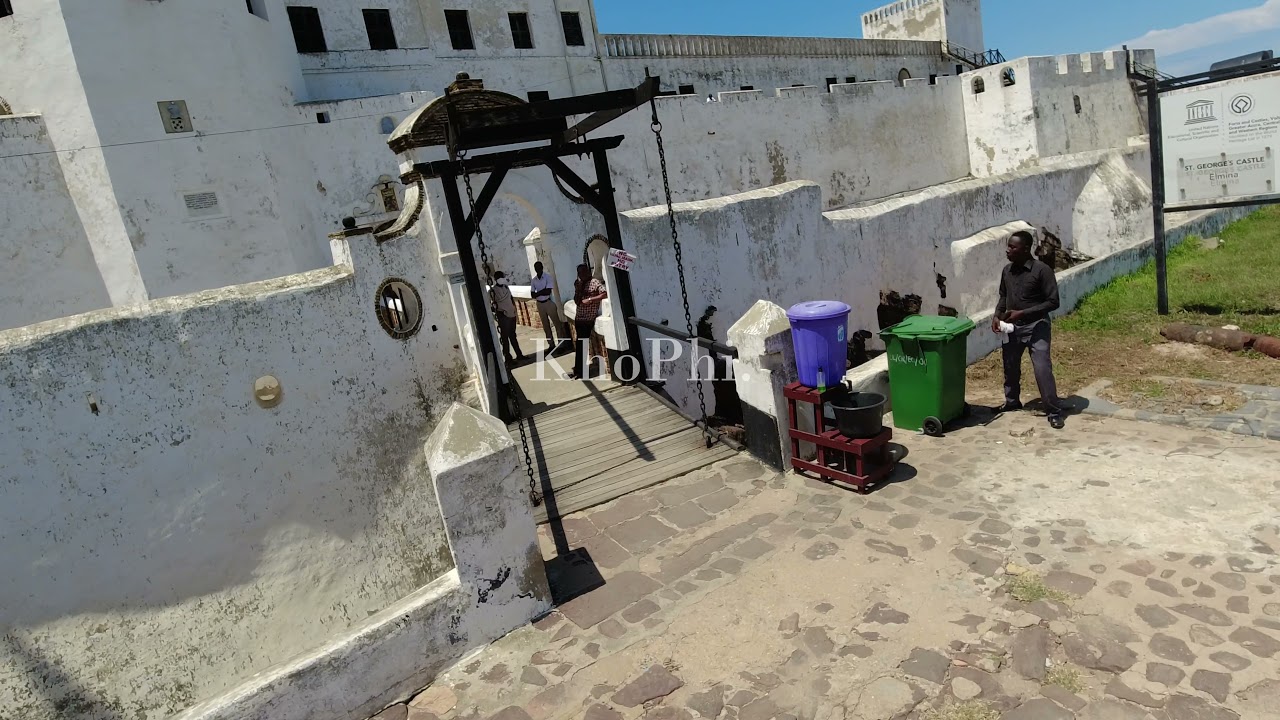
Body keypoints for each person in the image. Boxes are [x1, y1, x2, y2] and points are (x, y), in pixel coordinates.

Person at [993, 230, 1065, 429]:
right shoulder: (1007, 271)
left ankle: (1053, 411)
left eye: (1012, 247)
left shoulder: (1042, 270)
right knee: (1010, 365)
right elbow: (1002, 296)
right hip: (1012, 327)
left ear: (1026, 249)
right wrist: (997, 316)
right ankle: (1012, 402)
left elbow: (1053, 302)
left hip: (1037, 326)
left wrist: (1023, 313)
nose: (1008, 251)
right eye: (1008, 246)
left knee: (1042, 368)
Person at [569, 264, 607, 380]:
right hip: (579, 317)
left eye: (583, 272)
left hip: (588, 318)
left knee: (583, 343)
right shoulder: (579, 284)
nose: (581, 275)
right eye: (579, 273)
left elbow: (604, 293)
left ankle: (580, 371)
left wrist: (590, 299)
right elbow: (576, 301)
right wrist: (578, 289)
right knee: (580, 344)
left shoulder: (594, 282)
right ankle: (578, 370)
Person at [491, 271, 524, 365]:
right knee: (505, 338)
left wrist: (514, 308)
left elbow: (511, 298)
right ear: (496, 279)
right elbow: (492, 305)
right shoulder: (493, 291)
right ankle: (508, 358)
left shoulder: (506, 287)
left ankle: (519, 354)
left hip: (511, 314)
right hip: (503, 315)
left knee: (513, 336)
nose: (502, 278)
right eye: (500, 277)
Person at [529, 261, 559, 349]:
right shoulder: (534, 280)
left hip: (548, 302)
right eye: (536, 268)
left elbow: (548, 291)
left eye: (539, 267)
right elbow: (532, 295)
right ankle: (551, 344)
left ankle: (561, 344)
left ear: (542, 267)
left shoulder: (547, 277)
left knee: (557, 324)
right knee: (546, 325)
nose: (538, 269)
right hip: (540, 304)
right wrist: (542, 292)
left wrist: (538, 293)